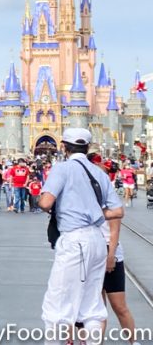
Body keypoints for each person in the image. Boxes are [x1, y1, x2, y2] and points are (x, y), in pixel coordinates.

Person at [39, 128, 124, 345]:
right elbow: (117, 211)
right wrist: (92, 211)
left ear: (64, 147)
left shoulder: (63, 169)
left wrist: (65, 208)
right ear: (87, 148)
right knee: (92, 304)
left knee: (58, 301)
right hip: (97, 241)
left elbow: (46, 202)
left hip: (74, 239)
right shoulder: (98, 172)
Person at [90, 154, 141, 345]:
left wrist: (110, 256)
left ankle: (133, 342)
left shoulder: (110, 198)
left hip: (109, 254)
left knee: (119, 306)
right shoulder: (85, 197)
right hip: (91, 254)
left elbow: (114, 231)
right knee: (96, 308)